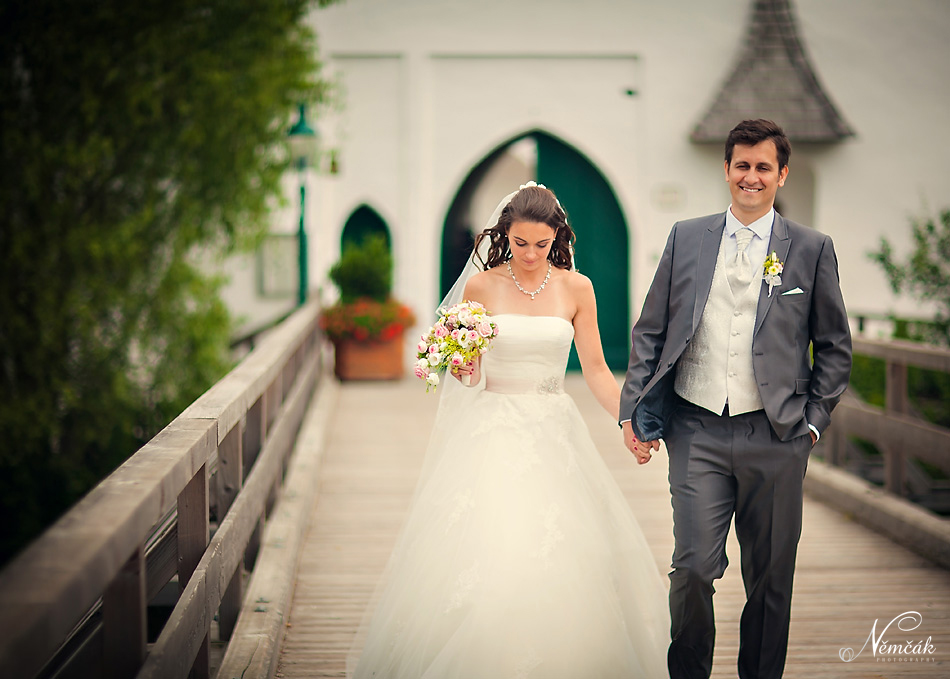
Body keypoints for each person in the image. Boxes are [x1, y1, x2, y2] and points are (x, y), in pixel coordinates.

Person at [348, 182, 669, 678]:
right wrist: (462, 368)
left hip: (554, 431)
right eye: (520, 244)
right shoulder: (481, 288)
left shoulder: (576, 288)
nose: (530, 255)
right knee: (490, 548)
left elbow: (599, 372)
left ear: (556, 238)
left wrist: (629, 421)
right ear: (505, 236)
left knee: (561, 550)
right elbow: (470, 372)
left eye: (541, 245)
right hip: (491, 430)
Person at [619, 119, 852, 679]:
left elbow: (836, 347)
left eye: (763, 167)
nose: (751, 176)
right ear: (726, 169)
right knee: (693, 568)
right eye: (742, 165)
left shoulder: (813, 249)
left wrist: (812, 425)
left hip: (777, 436)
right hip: (696, 428)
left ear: (781, 174)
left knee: (771, 578)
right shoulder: (686, 236)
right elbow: (651, 330)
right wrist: (633, 408)